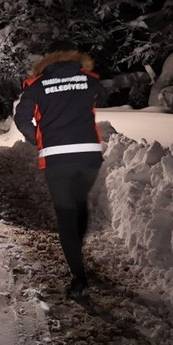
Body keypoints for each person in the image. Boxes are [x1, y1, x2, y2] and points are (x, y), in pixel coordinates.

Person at [15, 40, 105, 301]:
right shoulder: (89, 80)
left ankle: (78, 275)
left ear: (46, 65)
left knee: (65, 215)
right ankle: (78, 248)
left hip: (58, 159)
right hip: (89, 157)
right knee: (80, 203)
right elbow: (102, 96)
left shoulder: (37, 85)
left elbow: (22, 119)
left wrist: (38, 139)